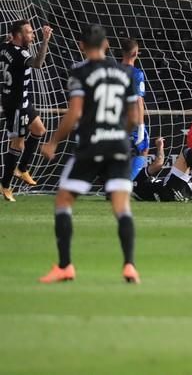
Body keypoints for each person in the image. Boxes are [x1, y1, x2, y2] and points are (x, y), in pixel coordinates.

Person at [39, 24, 141, 283]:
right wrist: (119, 132)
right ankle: (129, 265)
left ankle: (65, 266)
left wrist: (52, 142)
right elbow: (135, 117)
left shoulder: (80, 71)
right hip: (118, 146)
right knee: (121, 207)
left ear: (81, 45)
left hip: (91, 145)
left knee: (63, 201)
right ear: (106, 44)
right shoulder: (125, 72)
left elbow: (74, 113)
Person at [0, 20, 53, 201]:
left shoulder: (4, 47)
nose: (33, 35)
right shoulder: (20, 54)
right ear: (18, 36)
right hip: (16, 106)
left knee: (39, 130)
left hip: (23, 102)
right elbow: (38, 63)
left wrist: (8, 40)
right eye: (29, 33)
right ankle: (5, 185)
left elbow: (6, 44)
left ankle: (22, 169)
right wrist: (46, 40)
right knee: (18, 145)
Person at [120, 37, 149, 180]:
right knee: (143, 149)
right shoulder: (136, 73)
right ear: (135, 53)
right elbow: (139, 100)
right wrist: (141, 125)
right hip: (130, 118)